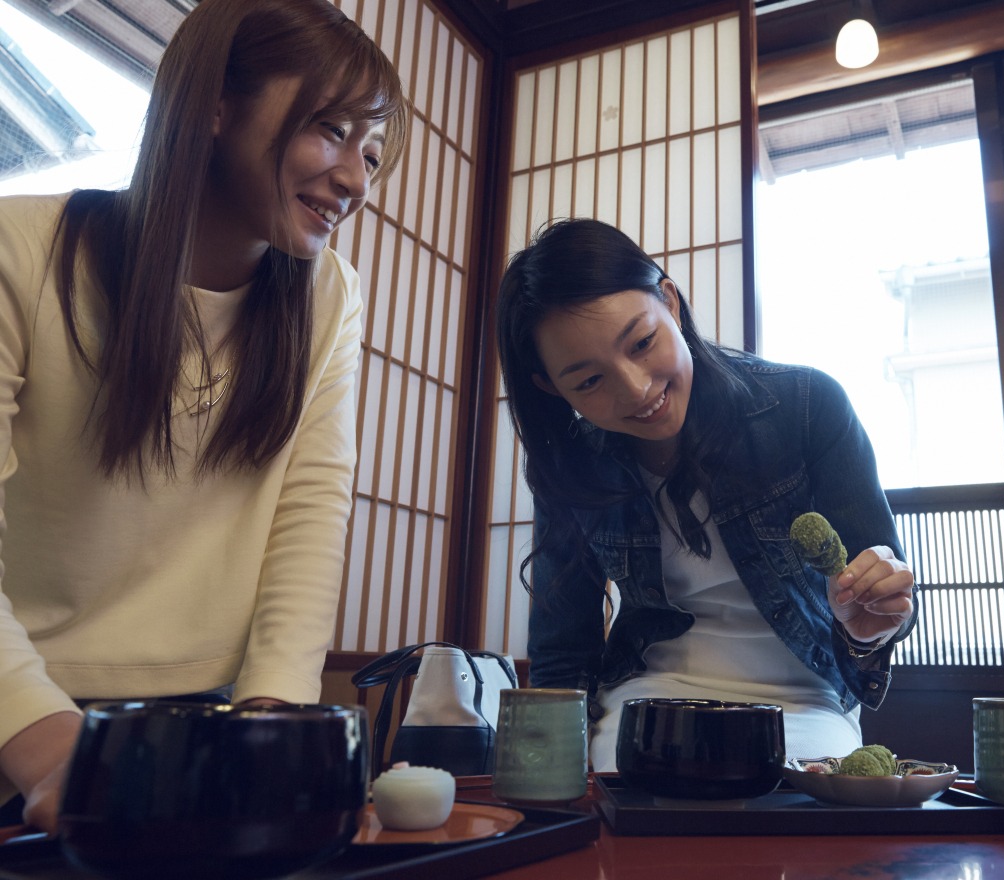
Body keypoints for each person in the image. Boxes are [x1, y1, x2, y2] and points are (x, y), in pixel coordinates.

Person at [0, 0, 407, 832]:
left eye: (370, 152)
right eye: (330, 130)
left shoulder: (330, 298)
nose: (357, 179)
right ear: (215, 105)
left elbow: (309, 514)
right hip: (18, 704)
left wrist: (272, 737)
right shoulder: (20, 251)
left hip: (208, 717)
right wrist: (45, 745)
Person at [495, 218, 918, 770]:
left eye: (642, 343)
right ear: (552, 387)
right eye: (589, 382)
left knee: (793, 806)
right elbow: (563, 647)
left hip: (803, 703)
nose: (637, 389)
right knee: (633, 789)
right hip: (647, 704)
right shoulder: (574, 461)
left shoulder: (807, 408)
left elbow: (888, 601)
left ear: (669, 301)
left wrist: (868, 627)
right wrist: (548, 775)